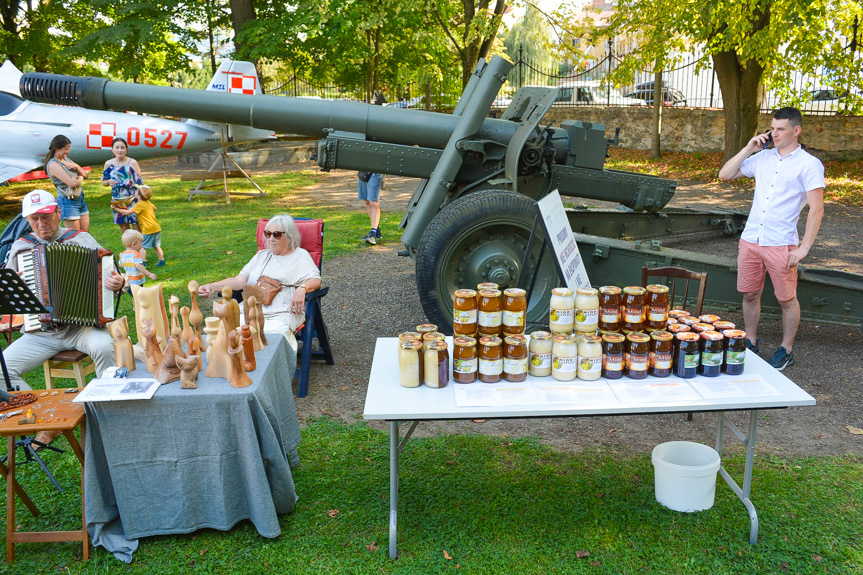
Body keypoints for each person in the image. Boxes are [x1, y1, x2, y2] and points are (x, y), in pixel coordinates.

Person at [4, 190, 124, 443]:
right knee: (1, 369)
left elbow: (113, 277)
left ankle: (109, 413)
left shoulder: (81, 239)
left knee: (104, 346)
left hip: (83, 328)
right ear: (27, 220)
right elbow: (7, 294)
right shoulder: (20, 248)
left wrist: (117, 283)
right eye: (34, 219)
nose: (40, 224)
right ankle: (45, 418)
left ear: (58, 213)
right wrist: (17, 287)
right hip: (41, 332)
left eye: (46, 216)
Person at [718, 107, 825, 370]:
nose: (774, 134)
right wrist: (748, 148)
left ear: (796, 130)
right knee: (750, 293)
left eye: (780, 129)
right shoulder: (763, 158)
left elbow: (817, 208)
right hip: (752, 239)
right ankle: (751, 341)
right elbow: (725, 175)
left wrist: (804, 248)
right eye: (772, 128)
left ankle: (786, 349)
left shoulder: (809, 164)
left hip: (781, 242)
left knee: (786, 298)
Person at [197, 214, 321, 353]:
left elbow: (315, 280)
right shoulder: (261, 256)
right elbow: (239, 281)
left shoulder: (300, 255)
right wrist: (212, 286)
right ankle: (232, 365)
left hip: (281, 313)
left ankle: (272, 369)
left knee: (273, 333)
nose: (271, 238)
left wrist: (302, 288)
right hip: (252, 311)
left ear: (290, 236)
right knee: (224, 327)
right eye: (268, 234)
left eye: (277, 234)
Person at [45, 134, 90, 232]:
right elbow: (73, 184)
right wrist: (80, 179)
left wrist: (76, 166)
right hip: (67, 201)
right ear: (57, 149)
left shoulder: (66, 160)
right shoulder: (53, 164)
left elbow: (86, 175)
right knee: (74, 236)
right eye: (66, 149)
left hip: (79, 198)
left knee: (85, 234)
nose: (68, 151)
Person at [112, 184, 165, 267]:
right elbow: (155, 208)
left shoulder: (139, 205)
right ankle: (161, 260)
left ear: (139, 196)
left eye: (136, 191)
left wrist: (115, 209)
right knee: (157, 246)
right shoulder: (147, 202)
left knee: (142, 247)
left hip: (148, 229)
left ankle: (143, 262)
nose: (134, 192)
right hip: (156, 227)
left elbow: (127, 212)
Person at [102, 137, 143, 234]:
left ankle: (140, 248)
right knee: (124, 230)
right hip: (117, 200)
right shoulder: (109, 164)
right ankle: (129, 248)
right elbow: (104, 182)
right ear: (112, 149)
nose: (119, 150)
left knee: (137, 228)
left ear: (126, 149)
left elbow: (140, 183)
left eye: (122, 147)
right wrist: (109, 182)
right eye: (117, 147)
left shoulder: (132, 162)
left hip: (133, 198)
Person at [358, 171, 383, 245]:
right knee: (367, 201)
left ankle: (373, 233)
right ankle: (377, 231)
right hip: (363, 171)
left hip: (375, 171)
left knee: (373, 202)